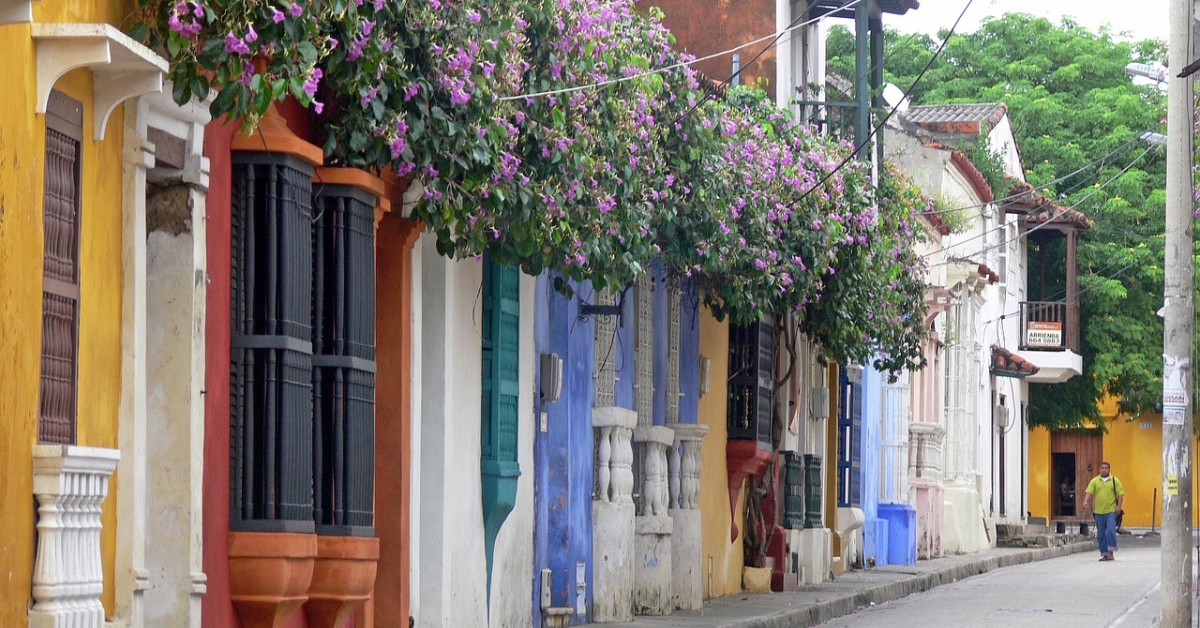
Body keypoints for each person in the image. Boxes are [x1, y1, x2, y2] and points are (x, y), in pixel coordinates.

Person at [1082, 461, 1125, 561]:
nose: (1104, 469)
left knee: (1110, 530)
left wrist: (1118, 507)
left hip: (1111, 511)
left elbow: (1120, 495)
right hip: (1098, 512)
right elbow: (1089, 492)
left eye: (1106, 468)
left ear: (1109, 469)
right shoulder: (1095, 481)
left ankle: (1111, 552)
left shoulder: (1114, 480)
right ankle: (1105, 554)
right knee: (1101, 534)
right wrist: (1085, 502)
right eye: (1102, 468)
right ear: (1099, 469)